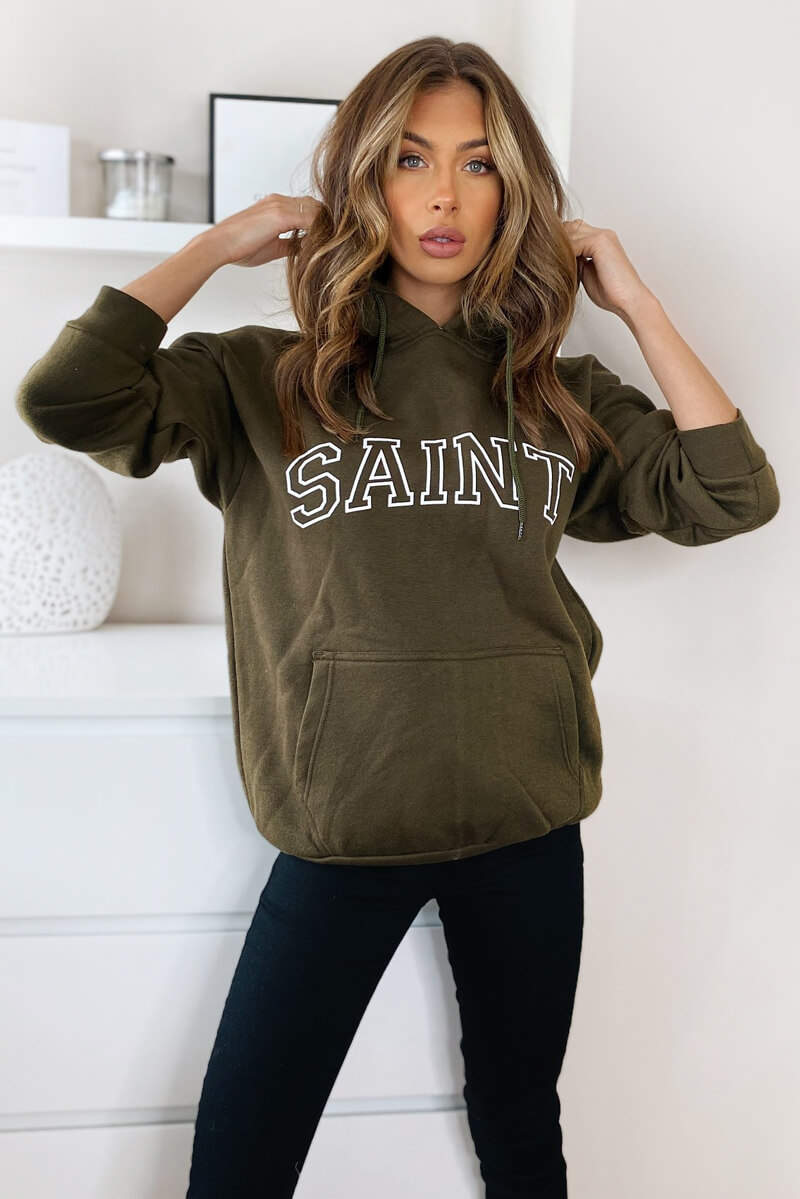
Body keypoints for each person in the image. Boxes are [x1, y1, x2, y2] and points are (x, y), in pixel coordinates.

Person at [14, 35, 779, 1199]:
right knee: (244, 1151)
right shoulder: (261, 376)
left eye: (477, 165)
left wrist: (633, 301)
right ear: (364, 181)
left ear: (512, 193)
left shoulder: (553, 388)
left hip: (527, 819)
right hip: (345, 823)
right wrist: (215, 245)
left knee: (522, 1128)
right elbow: (67, 398)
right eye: (409, 159)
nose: (442, 196)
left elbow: (730, 491)